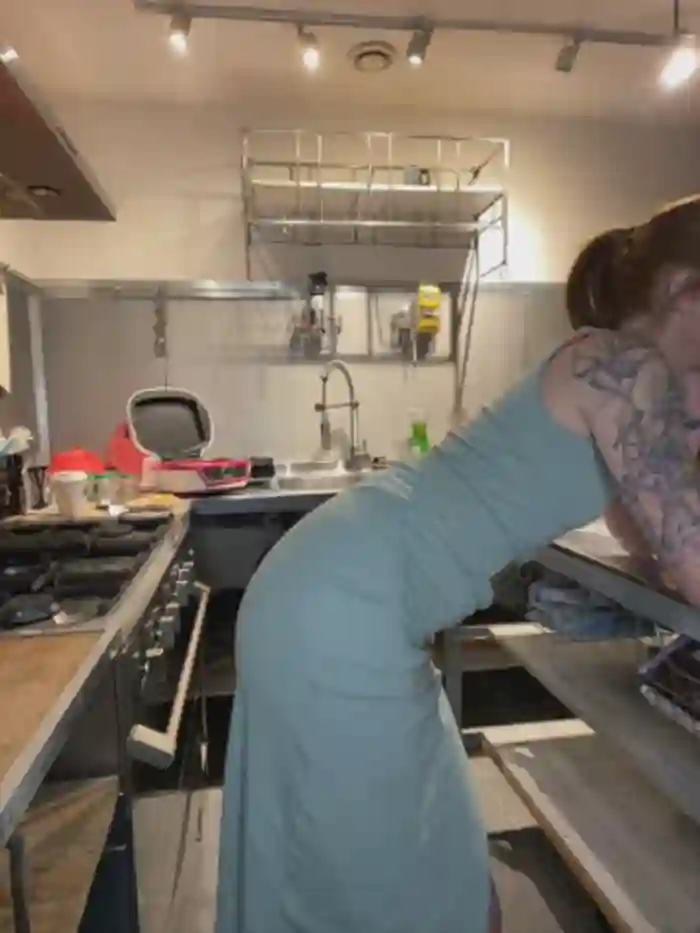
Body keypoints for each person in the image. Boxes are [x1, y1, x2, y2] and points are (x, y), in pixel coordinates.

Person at [216, 195, 700, 933]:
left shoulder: (618, 368)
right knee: (404, 896)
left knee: (435, 873)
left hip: (340, 596)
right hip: (343, 614)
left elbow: (648, 537)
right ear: (684, 288)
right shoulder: (622, 364)